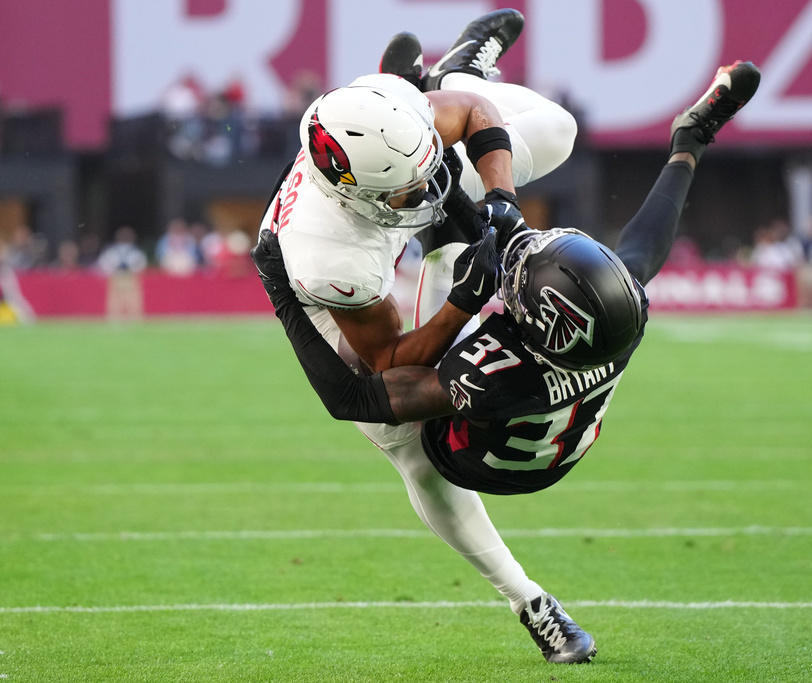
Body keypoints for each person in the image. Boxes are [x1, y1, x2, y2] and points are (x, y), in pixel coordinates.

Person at [254, 57, 761, 661]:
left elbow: (366, 389)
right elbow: (639, 249)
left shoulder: (479, 364)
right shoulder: (616, 314)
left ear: (513, 314)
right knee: (532, 160)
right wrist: (501, 207)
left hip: (489, 447)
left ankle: (529, 601)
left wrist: (469, 269)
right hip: (355, 252)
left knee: (412, 449)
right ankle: (458, 70)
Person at [256, 9, 587, 664]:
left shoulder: (389, 116)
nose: (428, 188)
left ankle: (456, 64)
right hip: (336, 291)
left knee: (558, 131)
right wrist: (462, 304)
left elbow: (469, 115)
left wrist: (499, 202)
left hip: (391, 155)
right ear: (363, 195)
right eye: (410, 191)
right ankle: (529, 599)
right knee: (410, 445)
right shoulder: (330, 257)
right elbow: (386, 361)